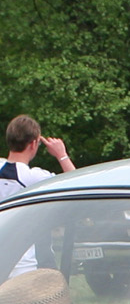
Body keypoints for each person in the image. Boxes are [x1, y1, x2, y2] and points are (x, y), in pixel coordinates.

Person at [2, 115, 78, 278]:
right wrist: (61, 155)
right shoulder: (33, 177)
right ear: (34, 143)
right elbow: (78, 184)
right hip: (24, 265)